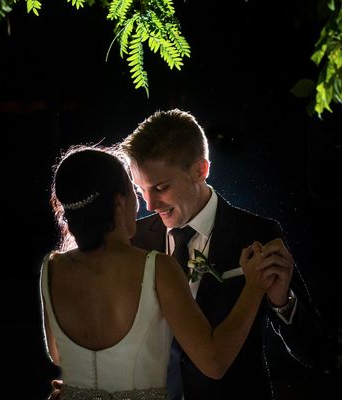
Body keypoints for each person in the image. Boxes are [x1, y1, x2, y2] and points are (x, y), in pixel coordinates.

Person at [40, 144, 283, 400]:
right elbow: (214, 361)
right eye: (135, 191)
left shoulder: (52, 268)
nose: (144, 204)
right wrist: (254, 287)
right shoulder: (156, 267)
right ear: (119, 200)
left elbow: (60, 354)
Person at [118, 109, 325, 400]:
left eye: (161, 187)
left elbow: (316, 353)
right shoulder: (132, 240)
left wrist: (283, 302)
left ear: (200, 170)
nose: (150, 204)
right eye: (141, 191)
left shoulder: (256, 234)